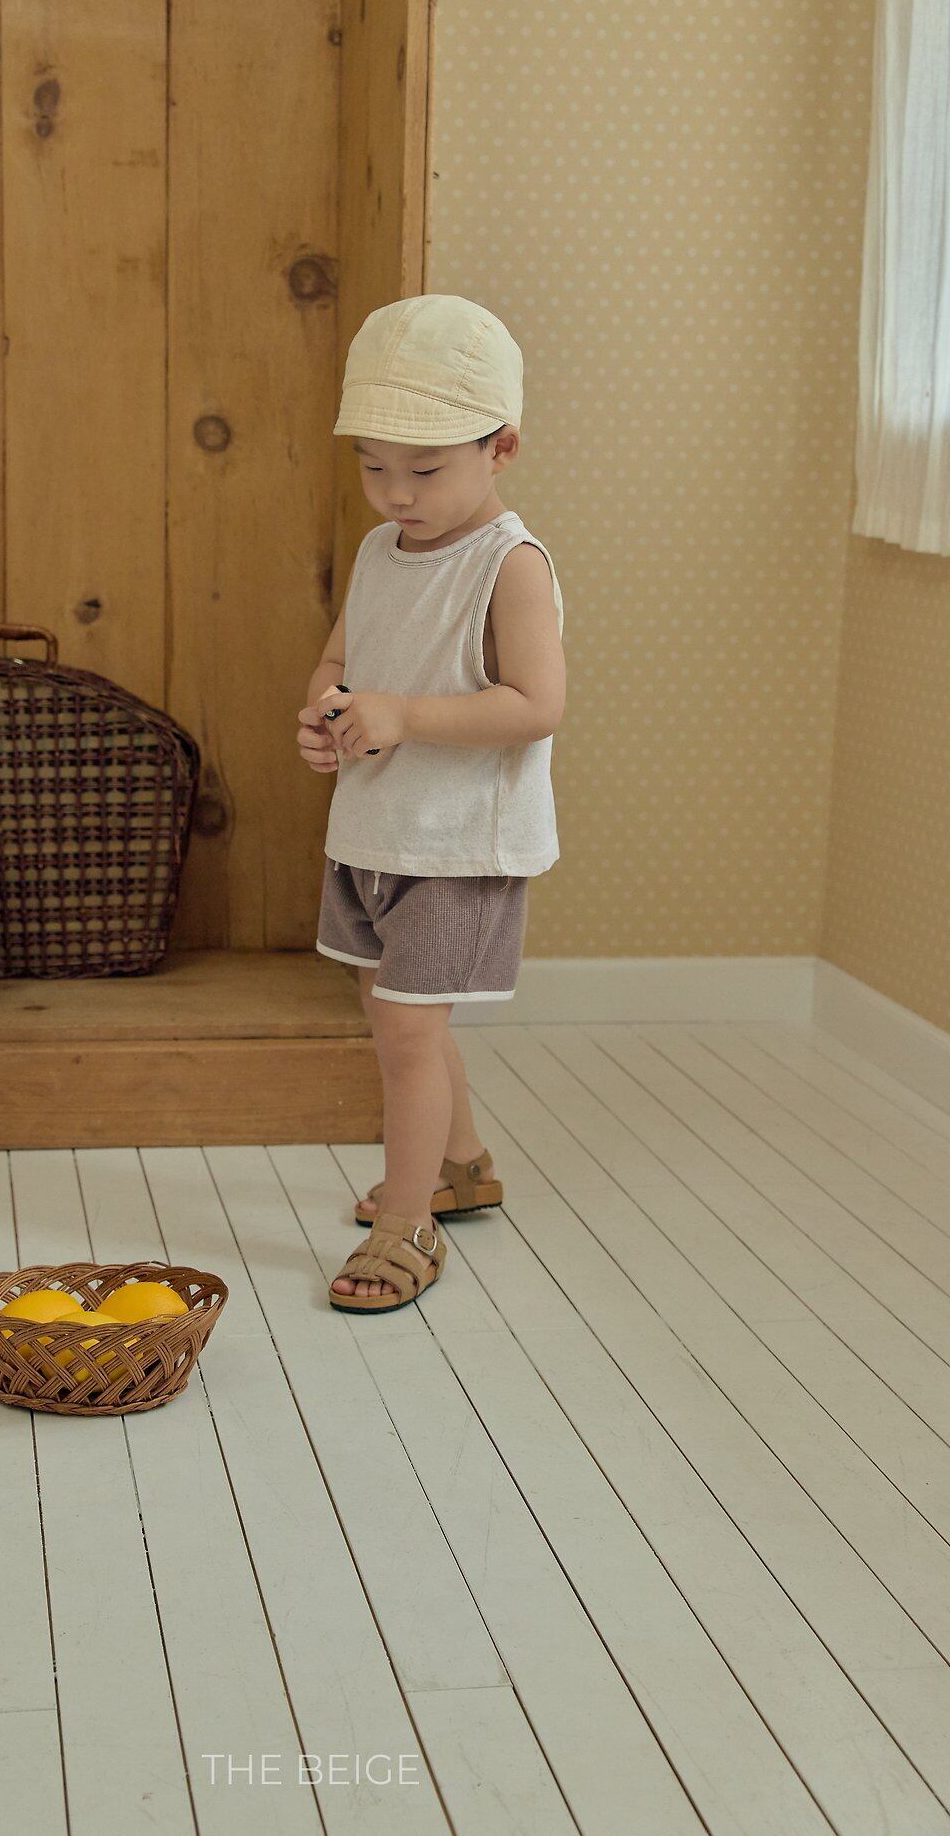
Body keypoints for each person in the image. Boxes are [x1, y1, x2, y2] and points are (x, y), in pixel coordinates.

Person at [295, 293, 566, 1313]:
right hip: (375, 829)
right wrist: (326, 713)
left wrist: (402, 714)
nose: (395, 494)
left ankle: (406, 1223)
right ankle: (458, 1164)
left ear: (501, 448)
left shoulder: (509, 565)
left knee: (405, 1031)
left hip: (456, 845)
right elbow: (342, 657)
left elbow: (535, 705)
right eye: (374, 467)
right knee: (397, 1010)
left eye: (423, 469)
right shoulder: (379, 552)